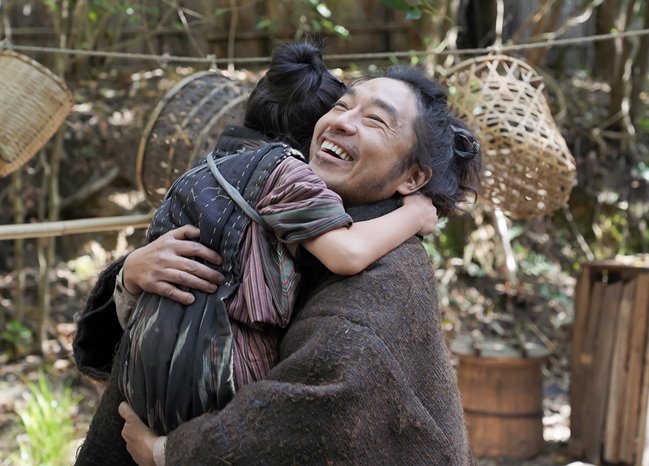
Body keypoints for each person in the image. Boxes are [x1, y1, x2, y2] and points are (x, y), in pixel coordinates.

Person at [74, 63, 481, 466]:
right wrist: (130, 276)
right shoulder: (275, 209)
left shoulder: (390, 271)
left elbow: (316, 414)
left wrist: (167, 452)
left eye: (375, 120)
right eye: (341, 106)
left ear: (413, 178)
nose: (342, 122)